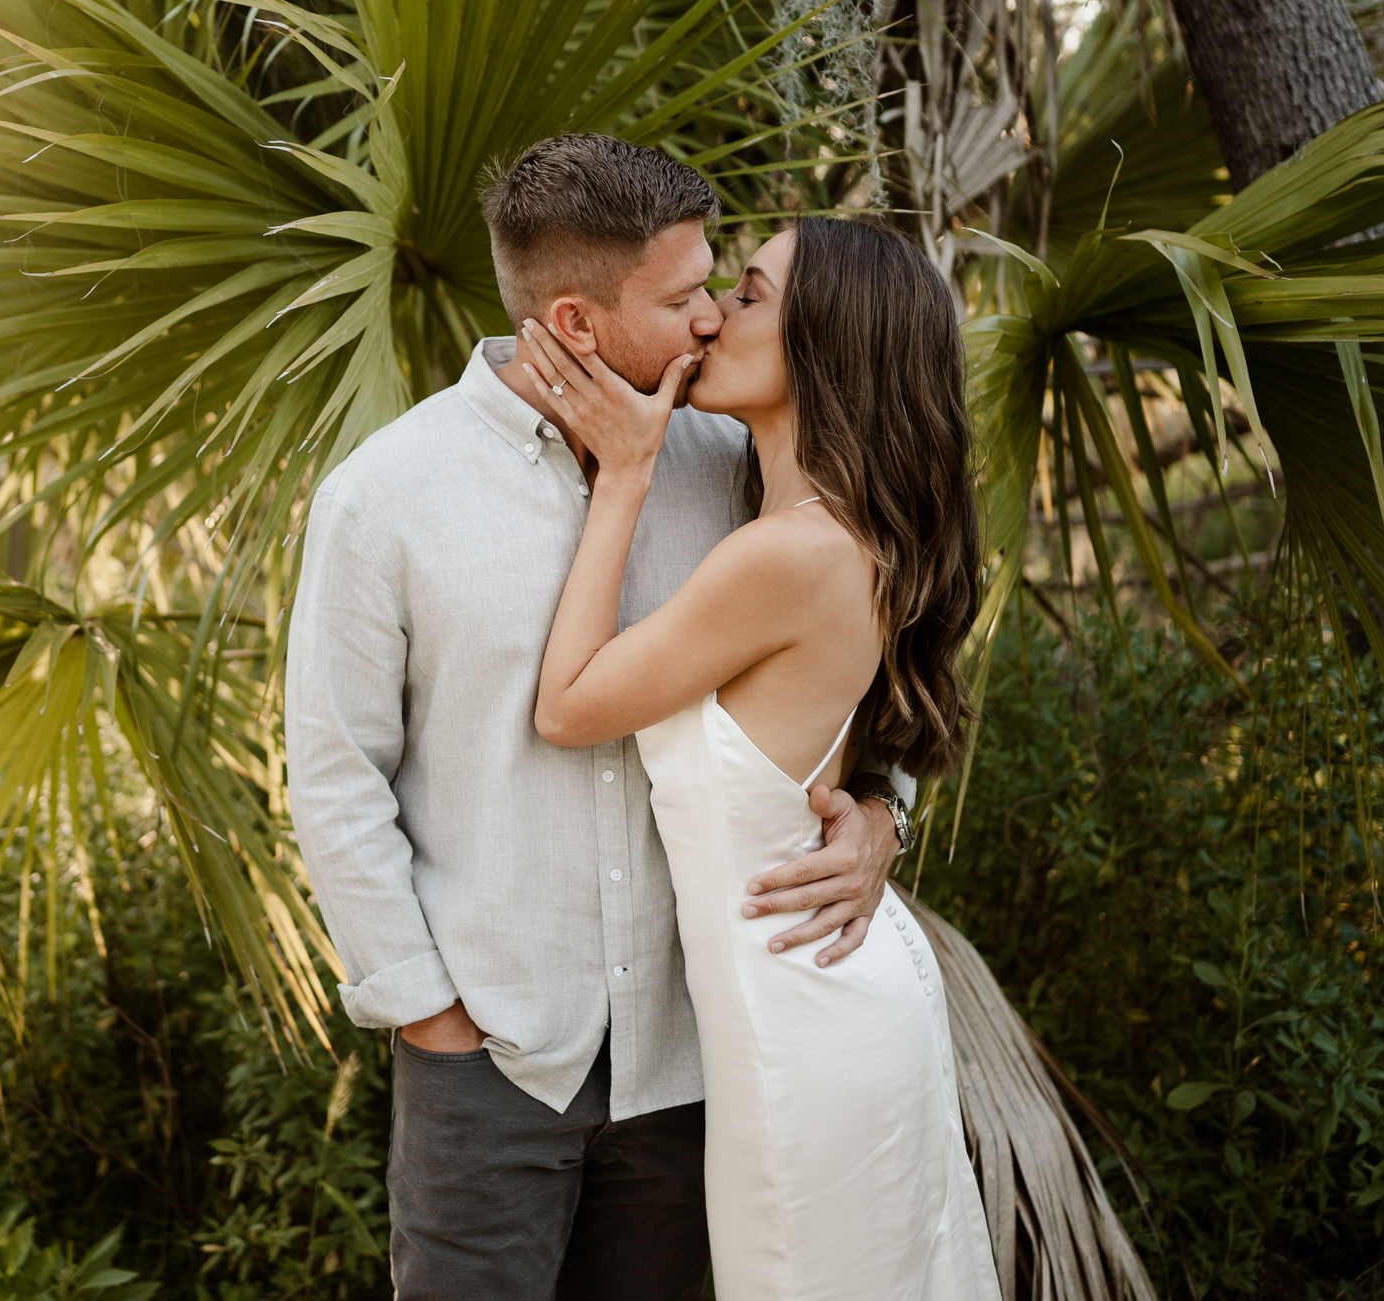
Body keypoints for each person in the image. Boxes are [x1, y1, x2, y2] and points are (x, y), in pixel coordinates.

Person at [285, 135, 918, 1300]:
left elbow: (851, 669)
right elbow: (334, 775)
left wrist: (883, 809)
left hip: (697, 1056)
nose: (710, 322)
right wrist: (432, 1015)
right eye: (683, 298)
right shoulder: (384, 496)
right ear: (576, 323)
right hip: (492, 1063)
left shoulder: (735, 463)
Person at [517, 214, 999, 1297]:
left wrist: (626, 475)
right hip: (810, 1001)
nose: (714, 315)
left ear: (825, 343)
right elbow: (847, 746)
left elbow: (567, 703)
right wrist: (880, 810)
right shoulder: (828, 532)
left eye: (750, 295)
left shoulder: (786, 554)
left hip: (804, 1030)